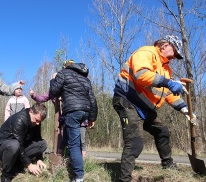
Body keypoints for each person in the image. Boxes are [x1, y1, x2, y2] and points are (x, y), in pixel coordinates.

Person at [112, 35, 197, 182]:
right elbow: (141, 75)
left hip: (145, 108)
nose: (174, 58)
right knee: (135, 143)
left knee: (162, 131)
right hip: (128, 101)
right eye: (175, 53)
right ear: (165, 45)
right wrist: (168, 82)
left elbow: (168, 94)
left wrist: (185, 109)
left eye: (176, 56)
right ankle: (124, 179)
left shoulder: (166, 70)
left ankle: (168, 164)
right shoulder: (147, 52)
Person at [49, 60, 98, 182]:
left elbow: (54, 91)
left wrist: (53, 79)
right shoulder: (85, 79)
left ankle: (78, 176)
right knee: (72, 139)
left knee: (74, 145)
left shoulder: (63, 73)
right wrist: (92, 118)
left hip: (72, 111)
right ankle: (71, 166)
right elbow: (92, 99)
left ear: (66, 67)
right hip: (85, 111)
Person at [30, 68, 88, 157]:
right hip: (61, 119)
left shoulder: (68, 87)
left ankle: (81, 159)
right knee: (61, 138)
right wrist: (34, 95)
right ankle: (60, 157)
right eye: (55, 79)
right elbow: (42, 98)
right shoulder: (52, 91)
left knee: (79, 138)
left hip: (73, 115)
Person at [0, 103, 48, 182]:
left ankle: (17, 165)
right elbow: (19, 144)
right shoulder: (20, 119)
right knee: (14, 145)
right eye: (37, 120)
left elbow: (37, 138)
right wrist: (29, 164)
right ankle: (6, 175)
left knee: (42, 144)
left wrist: (39, 158)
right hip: (0, 149)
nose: (38, 123)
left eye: (40, 121)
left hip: (17, 147)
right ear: (31, 111)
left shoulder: (36, 121)